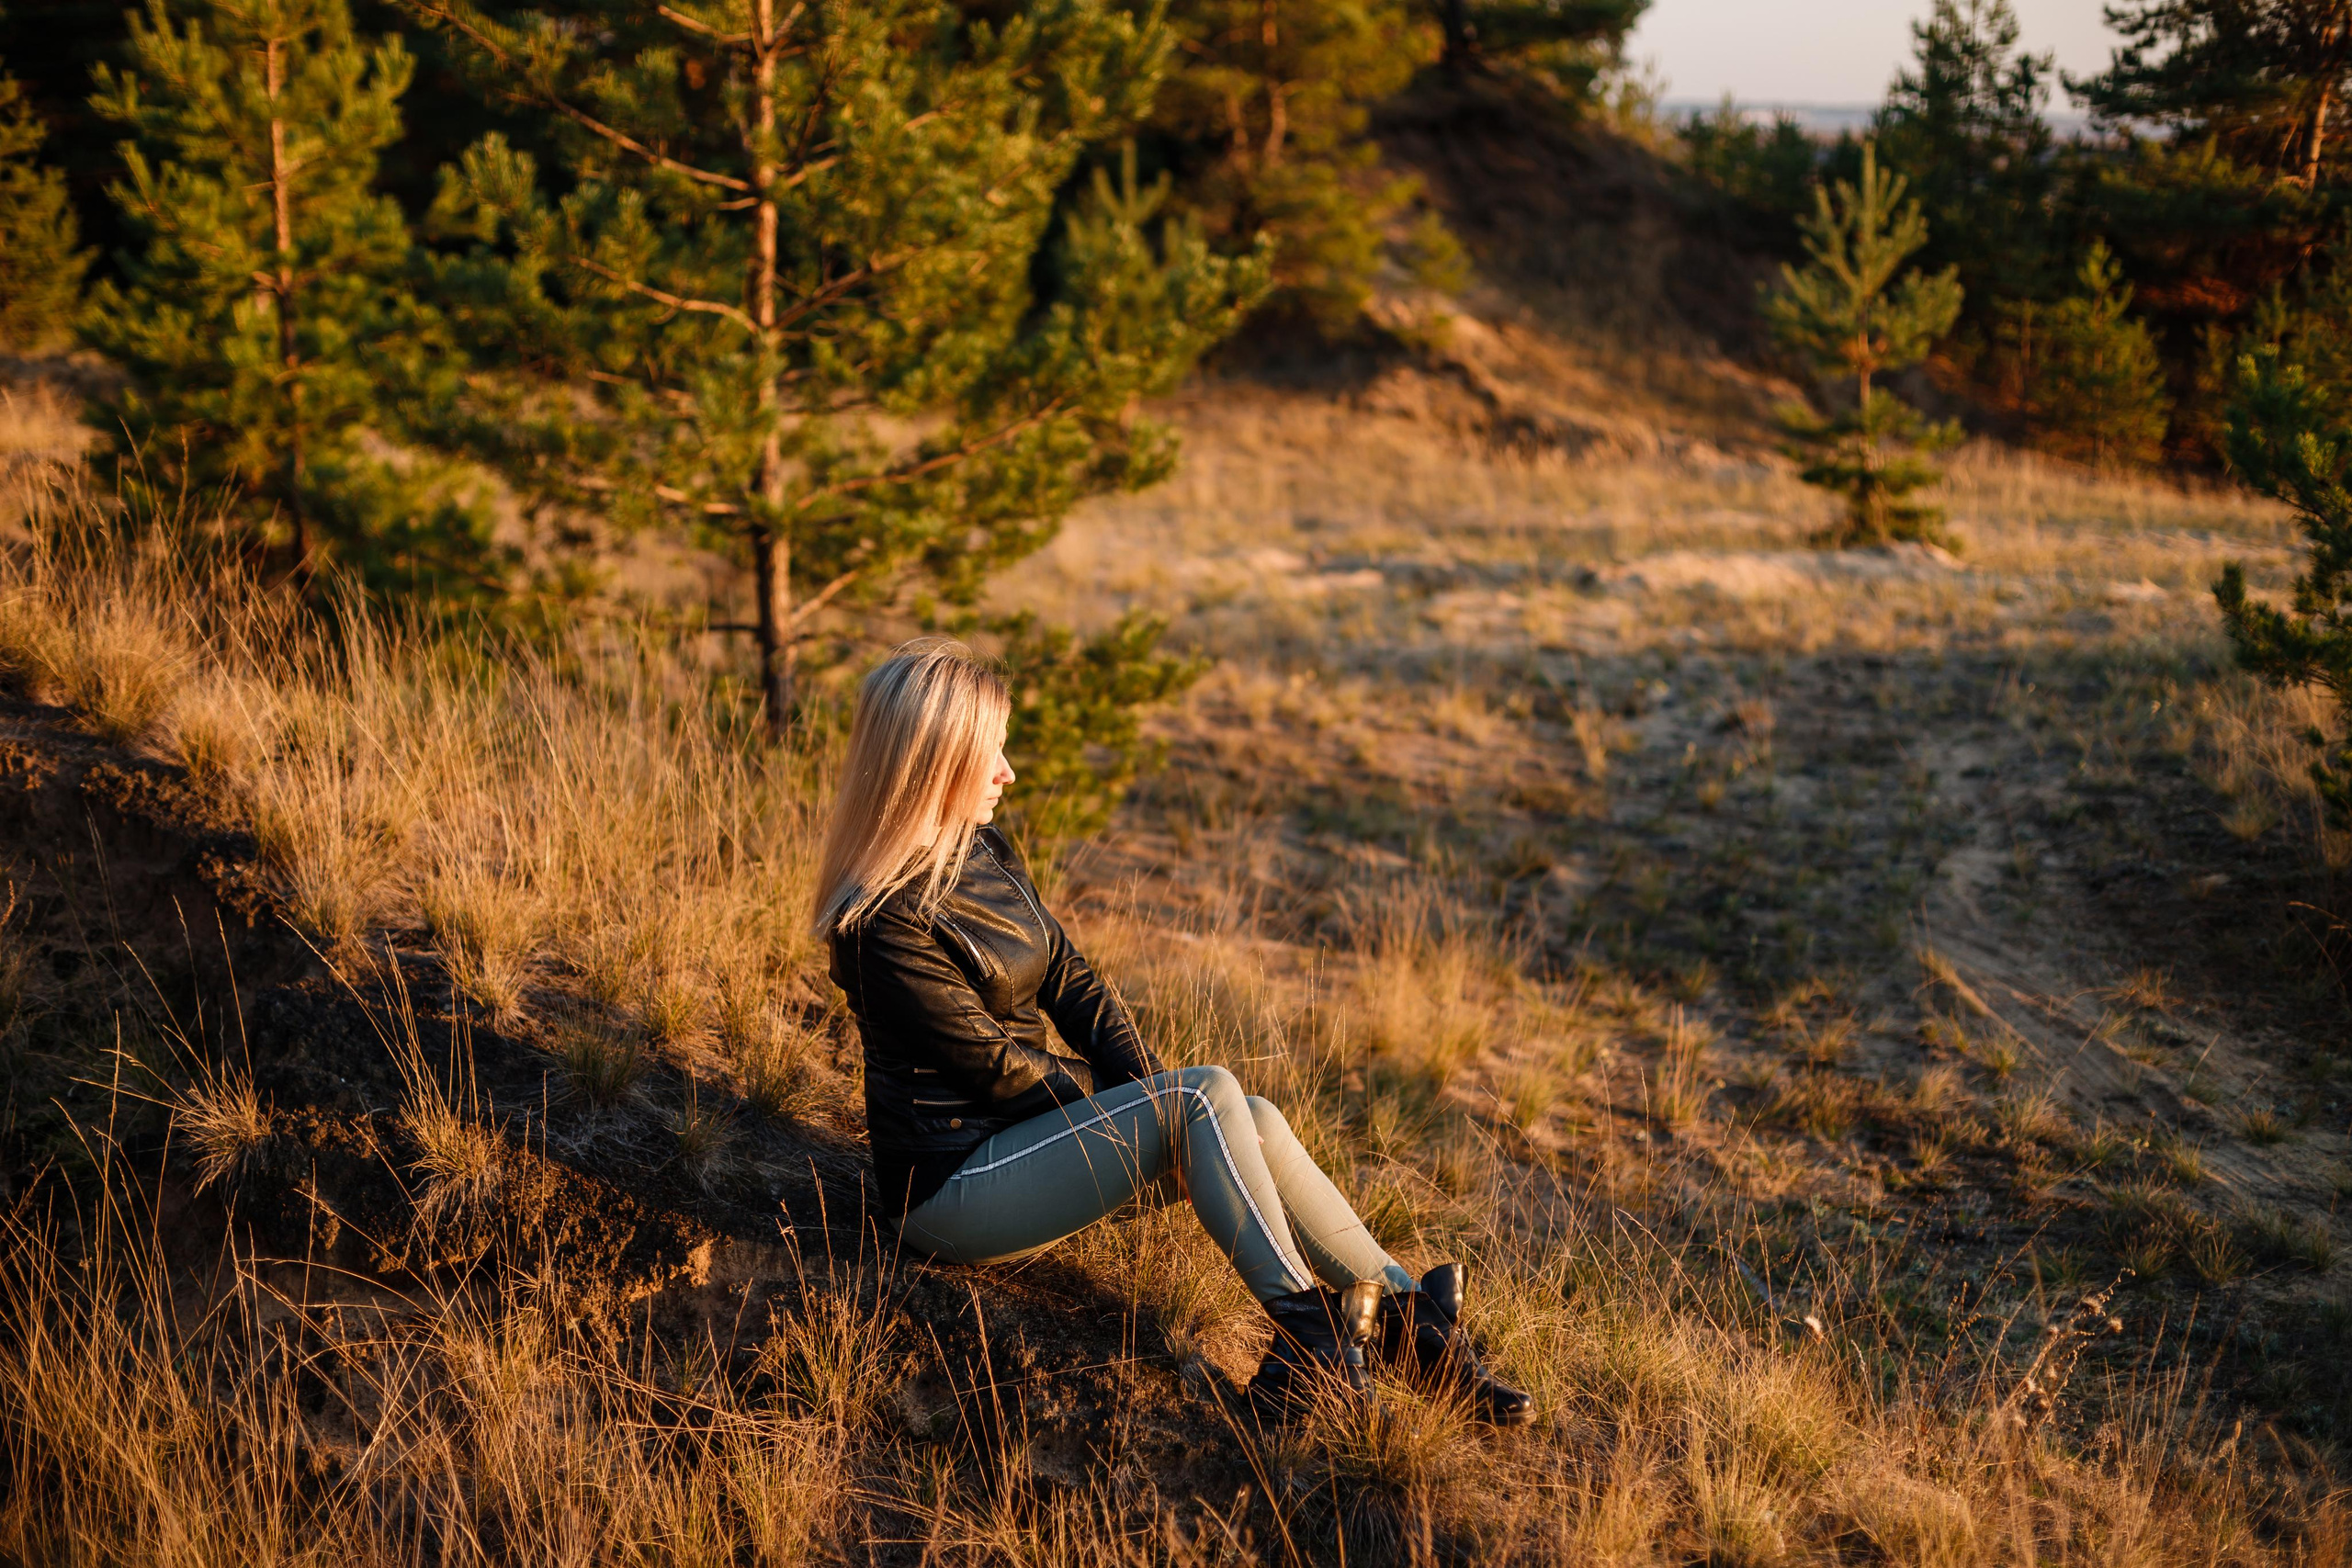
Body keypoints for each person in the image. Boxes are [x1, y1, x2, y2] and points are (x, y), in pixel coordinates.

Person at [812, 637, 1534, 1426]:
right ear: (932, 761)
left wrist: (1165, 1100)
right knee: (1205, 1099)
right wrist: (1163, 1109)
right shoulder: (878, 921)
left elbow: (1068, 977)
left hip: (1032, 1144)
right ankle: (1312, 1337)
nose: (1009, 771)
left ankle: (1414, 1329)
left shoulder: (979, 848)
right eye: (990, 752)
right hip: (952, 1188)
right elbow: (996, 1070)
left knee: (1244, 1116)